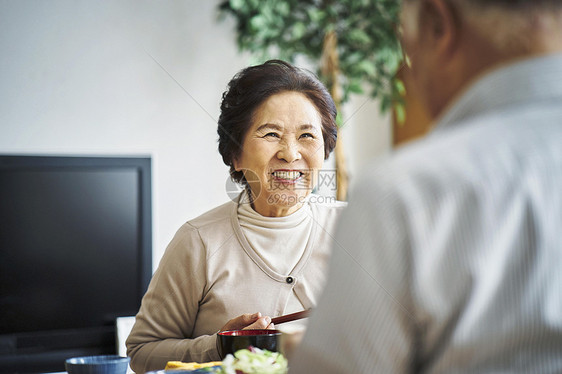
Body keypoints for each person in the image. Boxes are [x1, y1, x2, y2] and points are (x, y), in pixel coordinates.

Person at [291, 0, 562, 373]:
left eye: (406, 42)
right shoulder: (198, 241)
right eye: (270, 134)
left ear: (438, 25)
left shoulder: (402, 193)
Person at [126, 60, 346, 373]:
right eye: (271, 134)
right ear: (235, 154)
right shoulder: (199, 241)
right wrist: (220, 346)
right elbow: (141, 353)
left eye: (307, 136)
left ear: (325, 150)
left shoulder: (355, 229)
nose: (291, 153)